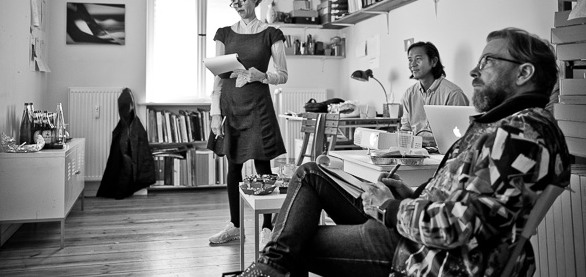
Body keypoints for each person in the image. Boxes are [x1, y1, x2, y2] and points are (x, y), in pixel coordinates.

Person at [240, 27, 571, 277]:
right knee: (311, 173)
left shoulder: (520, 135)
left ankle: (269, 268)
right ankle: (270, 267)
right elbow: (464, 202)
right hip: (411, 228)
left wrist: (389, 208)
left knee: (289, 244)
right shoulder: (508, 126)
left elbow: (461, 227)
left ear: (524, 73)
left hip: (425, 255)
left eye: (487, 62)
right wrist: (408, 194)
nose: (474, 71)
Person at [208, 0, 288, 249]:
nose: (237, 4)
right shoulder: (224, 34)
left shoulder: (271, 34)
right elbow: (218, 80)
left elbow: (283, 75)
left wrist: (262, 75)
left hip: (258, 107)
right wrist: (215, 114)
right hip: (231, 107)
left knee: (263, 165)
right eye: (233, 2)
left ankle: (267, 227)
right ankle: (235, 226)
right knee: (234, 166)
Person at [400, 41, 469, 148]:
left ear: (433, 61)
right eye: (410, 60)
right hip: (414, 153)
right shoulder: (409, 94)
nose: (412, 64)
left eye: (418, 59)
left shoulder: (453, 94)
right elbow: (405, 130)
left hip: (442, 155)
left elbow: (460, 136)